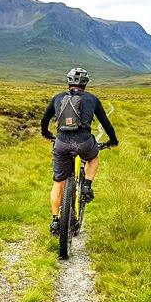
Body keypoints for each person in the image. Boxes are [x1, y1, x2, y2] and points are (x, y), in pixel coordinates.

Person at [41, 67, 118, 235]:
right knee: (93, 158)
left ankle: (55, 220)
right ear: (85, 83)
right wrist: (113, 140)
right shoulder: (92, 99)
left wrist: (47, 134)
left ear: (68, 82)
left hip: (61, 142)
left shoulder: (58, 98)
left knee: (58, 183)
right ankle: (86, 186)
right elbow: (105, 123)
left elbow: (45, 119)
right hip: (84, 142)